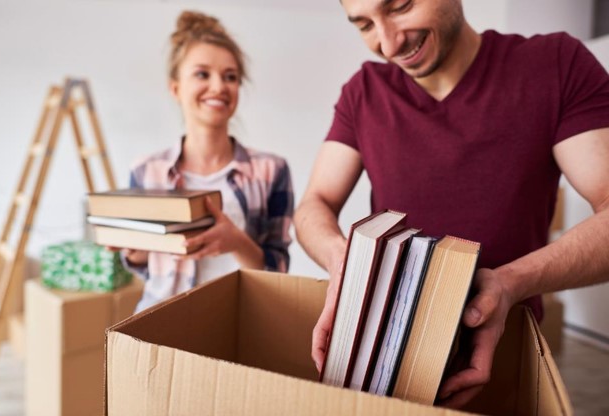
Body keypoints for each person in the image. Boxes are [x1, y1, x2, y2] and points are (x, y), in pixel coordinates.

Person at [294, 0, 609, 409]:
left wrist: (509, 283)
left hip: (504, 359)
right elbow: (313, 204)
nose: (388, 44)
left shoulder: (556, 64)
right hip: (388, 364)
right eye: (365, 25)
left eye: (400, 6)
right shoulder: (364, 91)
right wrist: (346, 264)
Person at [121, 10, 293, 312]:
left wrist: (237, 242)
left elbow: (278, 271)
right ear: (175, 88)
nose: (218, 87)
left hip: (241, 322)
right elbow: (147, 267)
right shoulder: (146, 171)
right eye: (202, 74)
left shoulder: (271, 171)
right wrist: (135, 251)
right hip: (161, 320)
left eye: (230, 77)